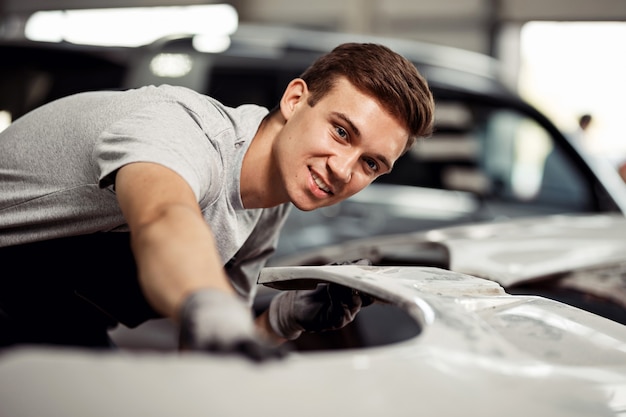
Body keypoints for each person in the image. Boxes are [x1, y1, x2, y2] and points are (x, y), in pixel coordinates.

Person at [0, 43, 434, 359]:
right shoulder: (185, 131)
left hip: (47, 306)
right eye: (341, 132)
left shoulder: (267, 207)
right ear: (295, 99)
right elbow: (162, 216)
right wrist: (207, 303)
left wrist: (282, 321)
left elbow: (210, 351)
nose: (343, 170)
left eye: (371, 164)